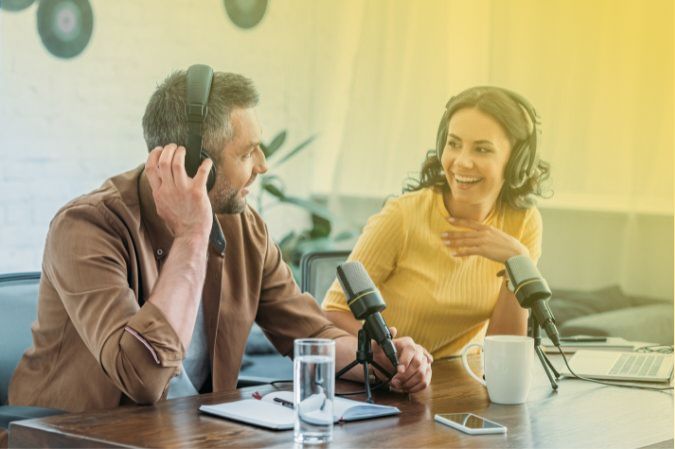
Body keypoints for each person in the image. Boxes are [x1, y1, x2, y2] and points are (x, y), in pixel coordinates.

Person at [8, 68, 431, 413]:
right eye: (247, 153)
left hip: (195, 432)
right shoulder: (86, 227)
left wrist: (381, 361)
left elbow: (310, 334)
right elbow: (142, 377)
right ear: (194, 163)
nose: (263, 165)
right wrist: (192, 234)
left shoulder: (245, 229)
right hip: (76, 435)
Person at [322, 86, 550, 359]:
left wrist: (517, 261)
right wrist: (396, 352)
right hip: (391, 379)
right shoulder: (403, 216)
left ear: (516, 161)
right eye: (454, 144)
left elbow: (504, 352)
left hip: (459, 382)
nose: (462, 162)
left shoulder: (523, 221)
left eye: (482, 149)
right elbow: (333, 314)